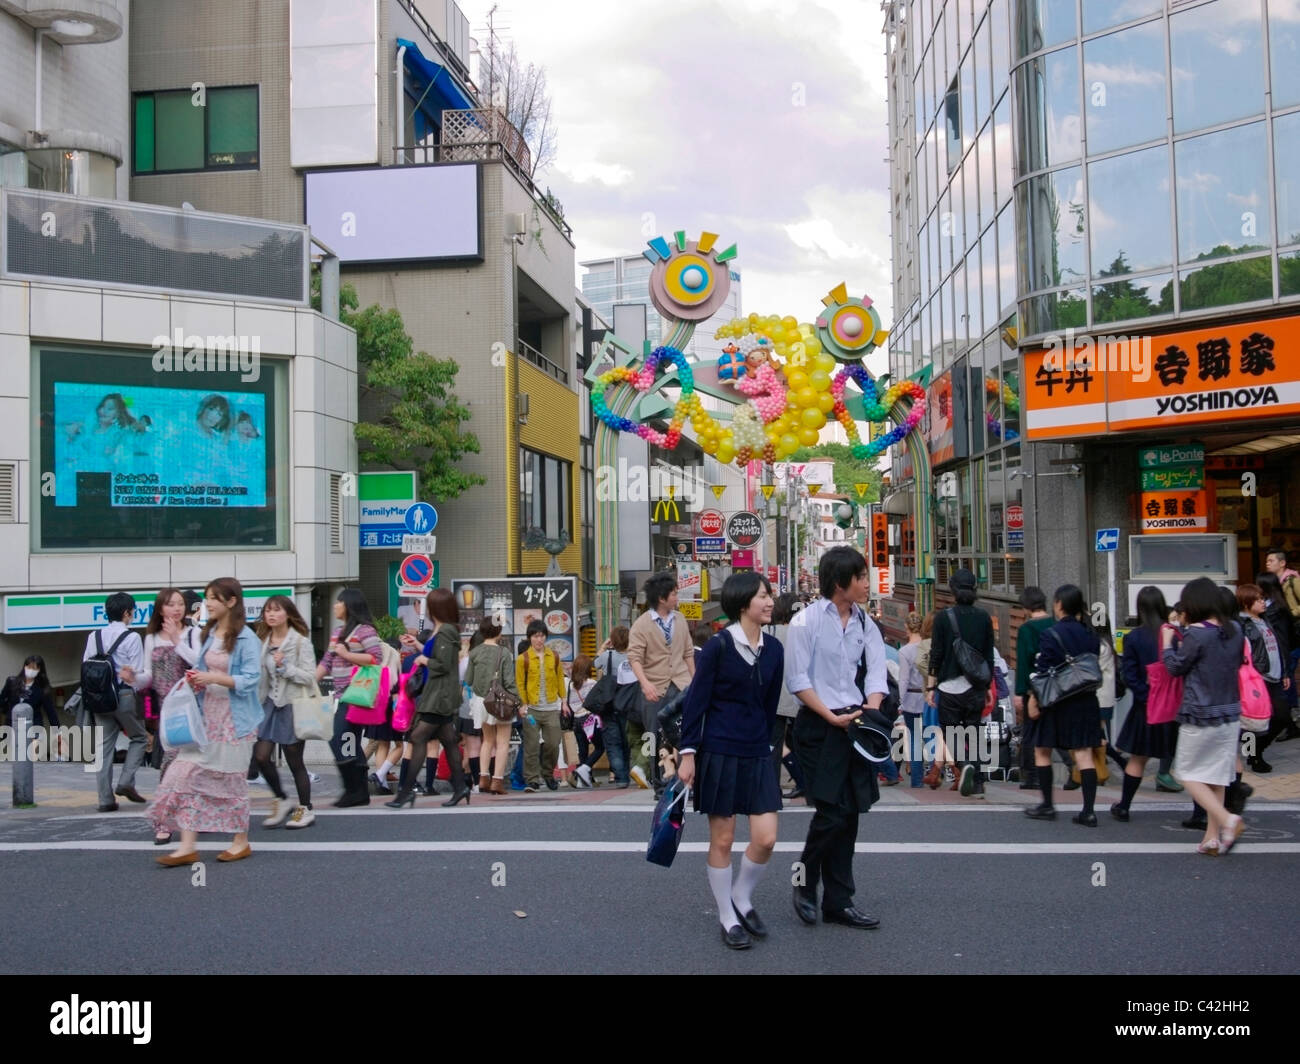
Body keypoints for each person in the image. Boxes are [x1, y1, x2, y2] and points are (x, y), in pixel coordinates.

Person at [678, 573, 784, 950]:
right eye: (762, 596)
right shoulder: (719, 647)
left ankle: (742, 895)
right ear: (743, 605)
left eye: (770, 594)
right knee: (722, 840)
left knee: (767, 838)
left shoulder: (774, 649)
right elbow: (696, 702)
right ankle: (727, 915)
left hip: (756, 751)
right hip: (719, 750)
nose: (770, 601)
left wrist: (772, 745)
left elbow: (770, 705)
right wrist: (687, 753)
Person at [786, 546, 889, 931]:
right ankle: (803, 880)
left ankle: (839, 901)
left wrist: (870, 708)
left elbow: (877, 674)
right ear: (839, 581)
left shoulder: (866, 623)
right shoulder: (805, 621)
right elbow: (797, 680)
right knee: (831, 811)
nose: (866, 583)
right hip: (817, 725)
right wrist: (831, 715)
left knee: (850, 815)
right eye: (860, 577)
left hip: (855, 722)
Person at [149, 577, 263, 865]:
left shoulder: (247, 638)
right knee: (186, 774)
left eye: (213, 598)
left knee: (231, 781)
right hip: (205, 716)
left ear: (231, 602)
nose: (207, 603)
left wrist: (212, 677)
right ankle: (187, 845)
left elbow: (250, 680)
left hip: (235, 721)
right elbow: (200, 668)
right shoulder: (209, 634)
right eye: (207, 597)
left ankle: (240, 841)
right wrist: (197, 681)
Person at [1162, 577, 1246, 855]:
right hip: (1230, 712)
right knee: (1216, 777)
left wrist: (1167, 642)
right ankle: (1212, 838)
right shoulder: (1235, 629)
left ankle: (1227, 820)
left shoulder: (1197, 634)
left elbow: (1175, 667)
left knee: (1185, 773)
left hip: (1199, 713)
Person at [1023, 585, 1103, 827]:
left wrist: (1033, 700)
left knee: (1042, 750)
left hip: (1057, 701)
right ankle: (1088, 811)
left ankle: (1047, 804)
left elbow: (1043, 670)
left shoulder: (1051, 634)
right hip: (1086, 700)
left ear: (1058, 605)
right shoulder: (1091, 634)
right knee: (1084, 754)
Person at [387, 588, 469, 808]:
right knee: (449, 742)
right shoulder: (442, 630)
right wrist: (419, 646)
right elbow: (439, 656)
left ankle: (406, 792)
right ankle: (460, 787)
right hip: (439, 694)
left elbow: (443, 664)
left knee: (418, 738)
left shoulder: (446, 631)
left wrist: (424, 660)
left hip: (439, 695)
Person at [135, 588, 203, 839]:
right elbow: (148, 678)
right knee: (169, 766)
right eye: (171, 604)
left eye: (180, 604)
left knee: (193, 767)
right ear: (160, 608)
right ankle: (164, 820)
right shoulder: (151, 637)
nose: (177, 608)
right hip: (168, 712)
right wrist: (132, 678)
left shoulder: (193, 633)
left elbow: (200, 664)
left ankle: (188, 815)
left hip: (193, 709)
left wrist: (177, 640)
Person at [1111, 587, 1181, 822]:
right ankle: (1201, 813)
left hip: (1146, 708)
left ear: (1139, 608)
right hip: (1173, 707)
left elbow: (1129, 675)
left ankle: (1124, 806)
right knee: (1187, 761)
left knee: (1138, 758)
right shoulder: (1174, 634)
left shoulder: (1134, 637)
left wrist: (1146, 695)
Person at [927, 569, 995, 798]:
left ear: (953, 590)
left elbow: (935, 654)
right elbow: (988, 655)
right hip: (975, 685)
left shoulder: (943, 618)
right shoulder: (984, 617)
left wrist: (930, 687)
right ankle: (977, 783)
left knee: (951, 732)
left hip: (948, 686)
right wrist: (986, 687)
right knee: (974, 732)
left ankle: (963, 763)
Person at [627, 573, 695, 790]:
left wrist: (696, 682)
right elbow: (634, 658)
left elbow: (688, 653)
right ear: (662, 598)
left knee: (685, 732)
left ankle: (686, 781)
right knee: (655, 735)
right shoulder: (641, 624)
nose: (677, 597)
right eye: (674, 594)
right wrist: (645, 684)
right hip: (655, 686)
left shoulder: (681, 619)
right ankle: (661, 784)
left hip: (681, 683)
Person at [255, 595, 318, 829]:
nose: (271, 615)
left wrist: (285, 667)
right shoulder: (263, 640)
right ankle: (281, 798)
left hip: (293, 704)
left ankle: (306, 808)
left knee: (294, 761)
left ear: (288, 614)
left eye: (276, 610)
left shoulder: (301, 642)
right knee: (260, 756)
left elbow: (310, 677)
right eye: (267, 611)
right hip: (269, 703)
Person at [316, 589, 384, 808]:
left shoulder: (364, 630)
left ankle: (353, 789)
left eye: (339, 602)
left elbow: (376, 657)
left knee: (339, 739)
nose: (335, 606)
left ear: (349, 605)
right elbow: (327, 661)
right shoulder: (338, 632)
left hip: (356, 694)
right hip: (340, 695)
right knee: (347, 742)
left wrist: (347, 655)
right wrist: (309, 682)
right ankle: (357, 791)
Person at [83, 592, 148, 813]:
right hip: (124, 696)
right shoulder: (132, 637)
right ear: (126, 613)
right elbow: (137, 673)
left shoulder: (94, 636)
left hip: (100, 698)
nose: (133, 615)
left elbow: (86, 665)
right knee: (139, 737)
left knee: (103, 748)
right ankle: (125, 781)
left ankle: (105, 800)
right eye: (133, 612)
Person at [1236, 583, 1289, 774]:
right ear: (1247, 602)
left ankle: (1256, 751)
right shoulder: (1242, 625)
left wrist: (1283, 673)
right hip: (1257, 679)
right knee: (1252, 720)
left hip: (1274, 677)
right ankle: (1252, 755)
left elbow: (1277, 646)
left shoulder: (1265, 620)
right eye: (1258, 599)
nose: (1262, 602)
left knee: (1282, 717)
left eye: (1262, 598)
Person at [464, 617, 517, 795]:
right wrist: (518, 701)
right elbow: (509, 682)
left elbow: (469, 680)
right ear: (498, 632)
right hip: (500, 701)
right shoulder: (504, 653)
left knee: (487, 740)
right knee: (502, 742)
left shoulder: (474, 652)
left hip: (480, 701)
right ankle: (497, 781)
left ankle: (483, 778)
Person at [516, 620, 567, 793]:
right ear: (530, 638)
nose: (539, 639)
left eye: (542, 636)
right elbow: (519, 684)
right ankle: (531, 779)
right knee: (531, 745)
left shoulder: (554, 656)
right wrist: (522, 704)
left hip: (552, 707)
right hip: (531, 709)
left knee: (553, 742)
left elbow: (560, 678)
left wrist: (564, 700)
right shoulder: (522, 659)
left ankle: (547, 773)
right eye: (535, 636)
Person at [765, 593, 807, 799]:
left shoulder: (768, 632)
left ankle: (773, 789)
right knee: (804, 744)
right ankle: (808, 785)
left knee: (774, 745)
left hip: (776, 699)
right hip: (804, 697)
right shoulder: (806, 632)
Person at [2, 655, 58, 807]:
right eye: (29, 666)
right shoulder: (12, 682)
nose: (31, 670)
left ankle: (25, 789)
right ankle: (20, 789)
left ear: (40, 670)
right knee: (13, 756)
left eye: (35, 668)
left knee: (28, 755)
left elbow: (50, 711)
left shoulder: (42, 689)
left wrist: (57, 731)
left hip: (34, 726)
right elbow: (2, 700)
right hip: (12, 725)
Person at [1013, 587, 1054, 791]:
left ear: (1026, 606)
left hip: (1033, 689)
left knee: (1030, 731)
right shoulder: (1054, 623)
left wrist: (1020, 692)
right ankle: (1072, 768)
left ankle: (1032, 775)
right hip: (1055, 686)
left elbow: (1023, 663)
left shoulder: (1027, 629)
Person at [595, 626, 632, 787]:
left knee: (613, 743)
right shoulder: (633, 657)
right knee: (627, 741)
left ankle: (621, 777)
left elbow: (595, 664)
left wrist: (603, 647)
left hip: (609, 704)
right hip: (629, 704)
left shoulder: (607, 656)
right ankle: (628, 773)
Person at [895, 613, 927, 788]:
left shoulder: (905, 651)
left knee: (914, 739)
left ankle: (917, 780)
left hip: (911, 698)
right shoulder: (928, 647)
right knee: (935, 735)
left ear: (907, 627)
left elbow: (904, 679)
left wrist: (900, 701)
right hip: (929, 697)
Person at [564, 655, 600, 788]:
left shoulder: (571, 685)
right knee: (601, 746)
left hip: (576, 721)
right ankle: (585, 768)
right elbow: (597, 702)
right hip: (589, 718)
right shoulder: (592, 683)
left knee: (582, 750)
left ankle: (582, 780)